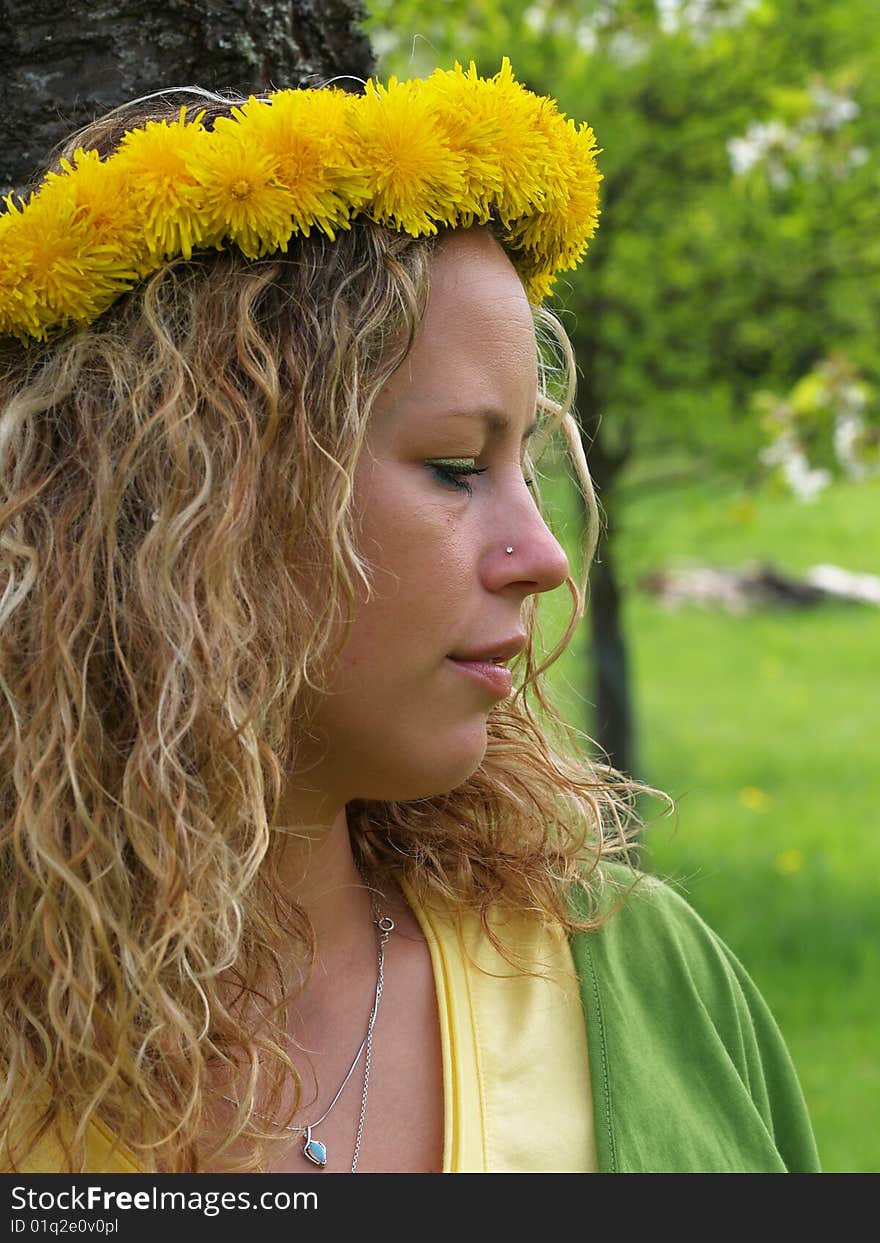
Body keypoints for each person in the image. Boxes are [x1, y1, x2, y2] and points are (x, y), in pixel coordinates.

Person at [0, 61, 819, 1175]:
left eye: (527, 466)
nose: (540, 557)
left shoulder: (634, 978)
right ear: (186, 503)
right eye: (450, 466)